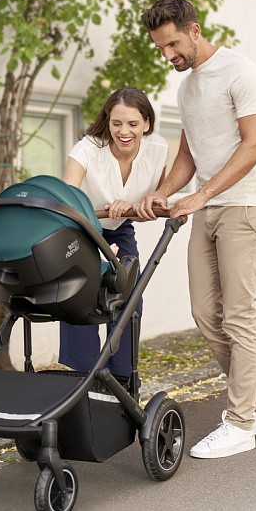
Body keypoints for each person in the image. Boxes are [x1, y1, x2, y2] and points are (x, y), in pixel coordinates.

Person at [137, 0, 256, 458]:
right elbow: (189, 154)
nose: (168, 55)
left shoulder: (241, 72)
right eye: (161, 48)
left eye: (173, 44)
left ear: (194, 30)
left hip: (246, 207)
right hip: (209, 209)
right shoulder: (187, 87)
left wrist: (200, 195)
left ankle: (240, 424)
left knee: (238, 316)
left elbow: (255, 145)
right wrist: (164, 191)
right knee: (204, 313)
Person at [59, 87, 168, 378]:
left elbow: (153, 206)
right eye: (116, 123)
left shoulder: (158, 149)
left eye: (133, 123)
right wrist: (96, 243)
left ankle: (122, 377)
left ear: (146, 123)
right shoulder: (87, 149)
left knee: (129, 298)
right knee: (81, 297)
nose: (124, 131)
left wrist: (131, 208)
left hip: (119, 229)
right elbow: (67, 200)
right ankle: (83, 376)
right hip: (81, 229)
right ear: (107, 121)